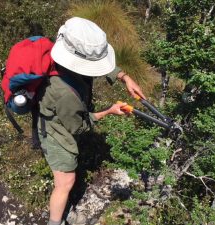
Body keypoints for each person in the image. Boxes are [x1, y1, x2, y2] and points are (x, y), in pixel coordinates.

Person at [38, 17, 146, 225]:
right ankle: (55, 221)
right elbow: (78, 127)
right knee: (66, 182)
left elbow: (94, 64)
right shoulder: (64, 93)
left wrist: (125, 77)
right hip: (54, 132)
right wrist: (109, 111)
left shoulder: (64, 53)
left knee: (66, 178)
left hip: (63, 113)